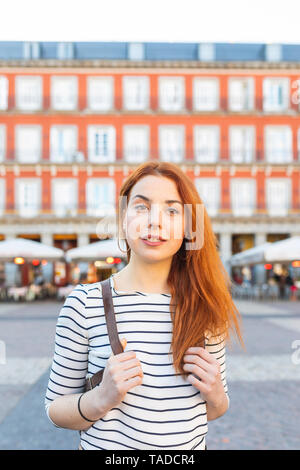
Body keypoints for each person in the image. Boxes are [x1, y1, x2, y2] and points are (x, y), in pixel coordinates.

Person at [44, 161, 243, 450]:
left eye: (172, 210)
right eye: (141, 206)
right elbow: (54, 410)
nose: (155, 221)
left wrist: (217, 396)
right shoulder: (84, 305)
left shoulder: (206, 308)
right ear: (123, 217)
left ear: (188, 226)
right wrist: (101, 398)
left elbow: (212, 409)